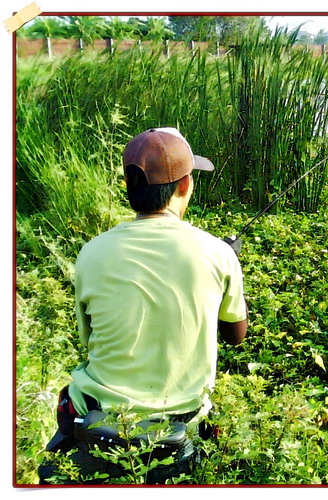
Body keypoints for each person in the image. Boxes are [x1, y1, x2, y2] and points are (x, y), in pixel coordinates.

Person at [38, 127, 248, 484]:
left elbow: (88, 340)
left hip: (97, 415)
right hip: (181, 421)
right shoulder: (217, 253)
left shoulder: (92, 252)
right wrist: (229, 264)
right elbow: (236, 335)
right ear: (184, 186)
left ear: (129, 186)